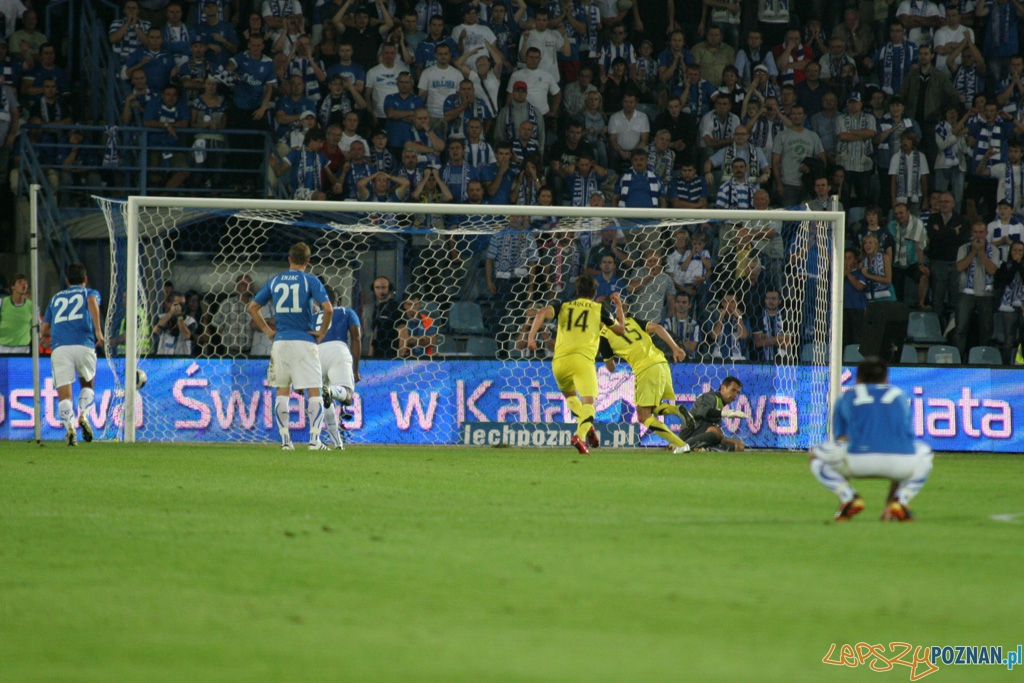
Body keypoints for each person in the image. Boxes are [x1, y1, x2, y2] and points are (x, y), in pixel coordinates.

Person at [809, 358, 934, 521]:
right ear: (886, 379)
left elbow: (842, 439)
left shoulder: (847, 396)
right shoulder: (899, 396)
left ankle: (848, 497)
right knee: (925, 453)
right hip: (900, 464)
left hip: (858, 462)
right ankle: (900, 500)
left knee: (816, 455)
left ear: (858, 379)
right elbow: (904, 438)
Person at [247, 242, 333, 451]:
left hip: (281, 342)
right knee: (314, 391)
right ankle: (314, 441)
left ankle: (286, 442)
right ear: (307, 261)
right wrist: (322, 332)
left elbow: (252, 307)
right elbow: (328, 309)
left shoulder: (275, 281)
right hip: (304, 340)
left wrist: (268, 331)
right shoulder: (310, 280)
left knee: (282, 391)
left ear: (288, 258)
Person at [526, 276, 625, 455]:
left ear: (577, 291)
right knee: (590, 403)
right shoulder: (599, 309)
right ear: (595, 293)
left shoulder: (564, 306)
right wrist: (618, 306)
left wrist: (531, 337)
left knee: (570, 396)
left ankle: (589, 430)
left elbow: (540, 313)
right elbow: (620, 330)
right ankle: (579, 435)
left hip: (559, 362)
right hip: (582, 361)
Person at [598, 299, 695, 453]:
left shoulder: (603, 336)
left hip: (645, 368)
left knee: (643, 416)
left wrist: (608, 358)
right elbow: (657, 327)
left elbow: (611, 367)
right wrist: (675, 348)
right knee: (653, 407)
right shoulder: (630, 321)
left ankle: (681, 444)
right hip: (661, 362)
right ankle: (677, 410)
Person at [40, 263, 104, 446]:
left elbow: (44, 329)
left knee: (64, 394)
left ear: (67, 281)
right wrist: (98, 332)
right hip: (84, 344)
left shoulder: (55, 298)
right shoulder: (89, 293)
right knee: (88, 384)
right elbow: (92, 302)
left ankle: (70, 428)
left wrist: (51, 336)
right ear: (85, 279)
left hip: (60, 348)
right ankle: (83, 415)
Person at [316, 284, 360, 448]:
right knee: (347, 395)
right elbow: (356, 337)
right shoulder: (346, 312)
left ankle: (338, 443)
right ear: (339, 300)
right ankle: (333, 391)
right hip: (337, 349)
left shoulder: (313, 318)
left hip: (315, 354)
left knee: (323, 399)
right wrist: (355, 369)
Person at [954, 221, 1001, 359]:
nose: (978, 235)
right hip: (966, 294)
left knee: (986, 330)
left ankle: (982, 360)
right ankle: (957, 360)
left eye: (981, 232)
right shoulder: (963, 248)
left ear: (986, 234)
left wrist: (981, 252)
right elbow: (959, 267)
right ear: (971, 233)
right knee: (960, 329)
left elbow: (992, 270)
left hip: (986, 295)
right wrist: (973, 251)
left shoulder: (994, 250)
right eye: (975, 232)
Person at [682, 376, 748, 452]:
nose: (735, 395)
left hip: (705, 434)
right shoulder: (711, 397)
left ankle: (706, 449)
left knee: (739, 445)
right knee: (717, 432)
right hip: (690, 431)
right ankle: (683, 446)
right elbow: (702, 411)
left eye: (737, 392)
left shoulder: (721, 404)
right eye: (733, 390)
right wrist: (725, 413)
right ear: (723, 388)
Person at [994, 241, 1024, 363]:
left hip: (1022, 305)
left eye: (1020, 251)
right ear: (1010, 252)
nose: (1017, 253)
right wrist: (1015, 266)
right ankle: (1007, 366)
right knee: (1009, 339)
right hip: (1008, 306)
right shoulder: (1004, 266)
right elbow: (1005, 280)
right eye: (1014, 250)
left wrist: (1019, 266)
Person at [153, 290, 196, 355]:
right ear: (170, 304)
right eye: (178, 304)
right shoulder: (161, 318)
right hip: (163, 358)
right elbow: (156, 331)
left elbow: (186, 336)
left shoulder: (190, 321)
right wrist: (170, 313)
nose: (180, 307)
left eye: (183, 304)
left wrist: (179, 317)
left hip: (182, 359)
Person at [368, 276, 401, 358]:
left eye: (383, 287)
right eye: (377, 287)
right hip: (377, 353)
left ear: (389, 288)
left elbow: (403, 333)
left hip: (391, 353)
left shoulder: (395, 306)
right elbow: (373, 333)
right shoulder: (376, 308)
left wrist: (400, 356)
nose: (380, 290)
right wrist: (369, 355)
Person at [0, 273, 31, 353]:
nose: (24, 284)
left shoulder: (33, 306)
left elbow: (36, 327)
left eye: (25, 282)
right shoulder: (2, 303)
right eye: (20, 282)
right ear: (12, 286)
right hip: (3, 347)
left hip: (23, 348)